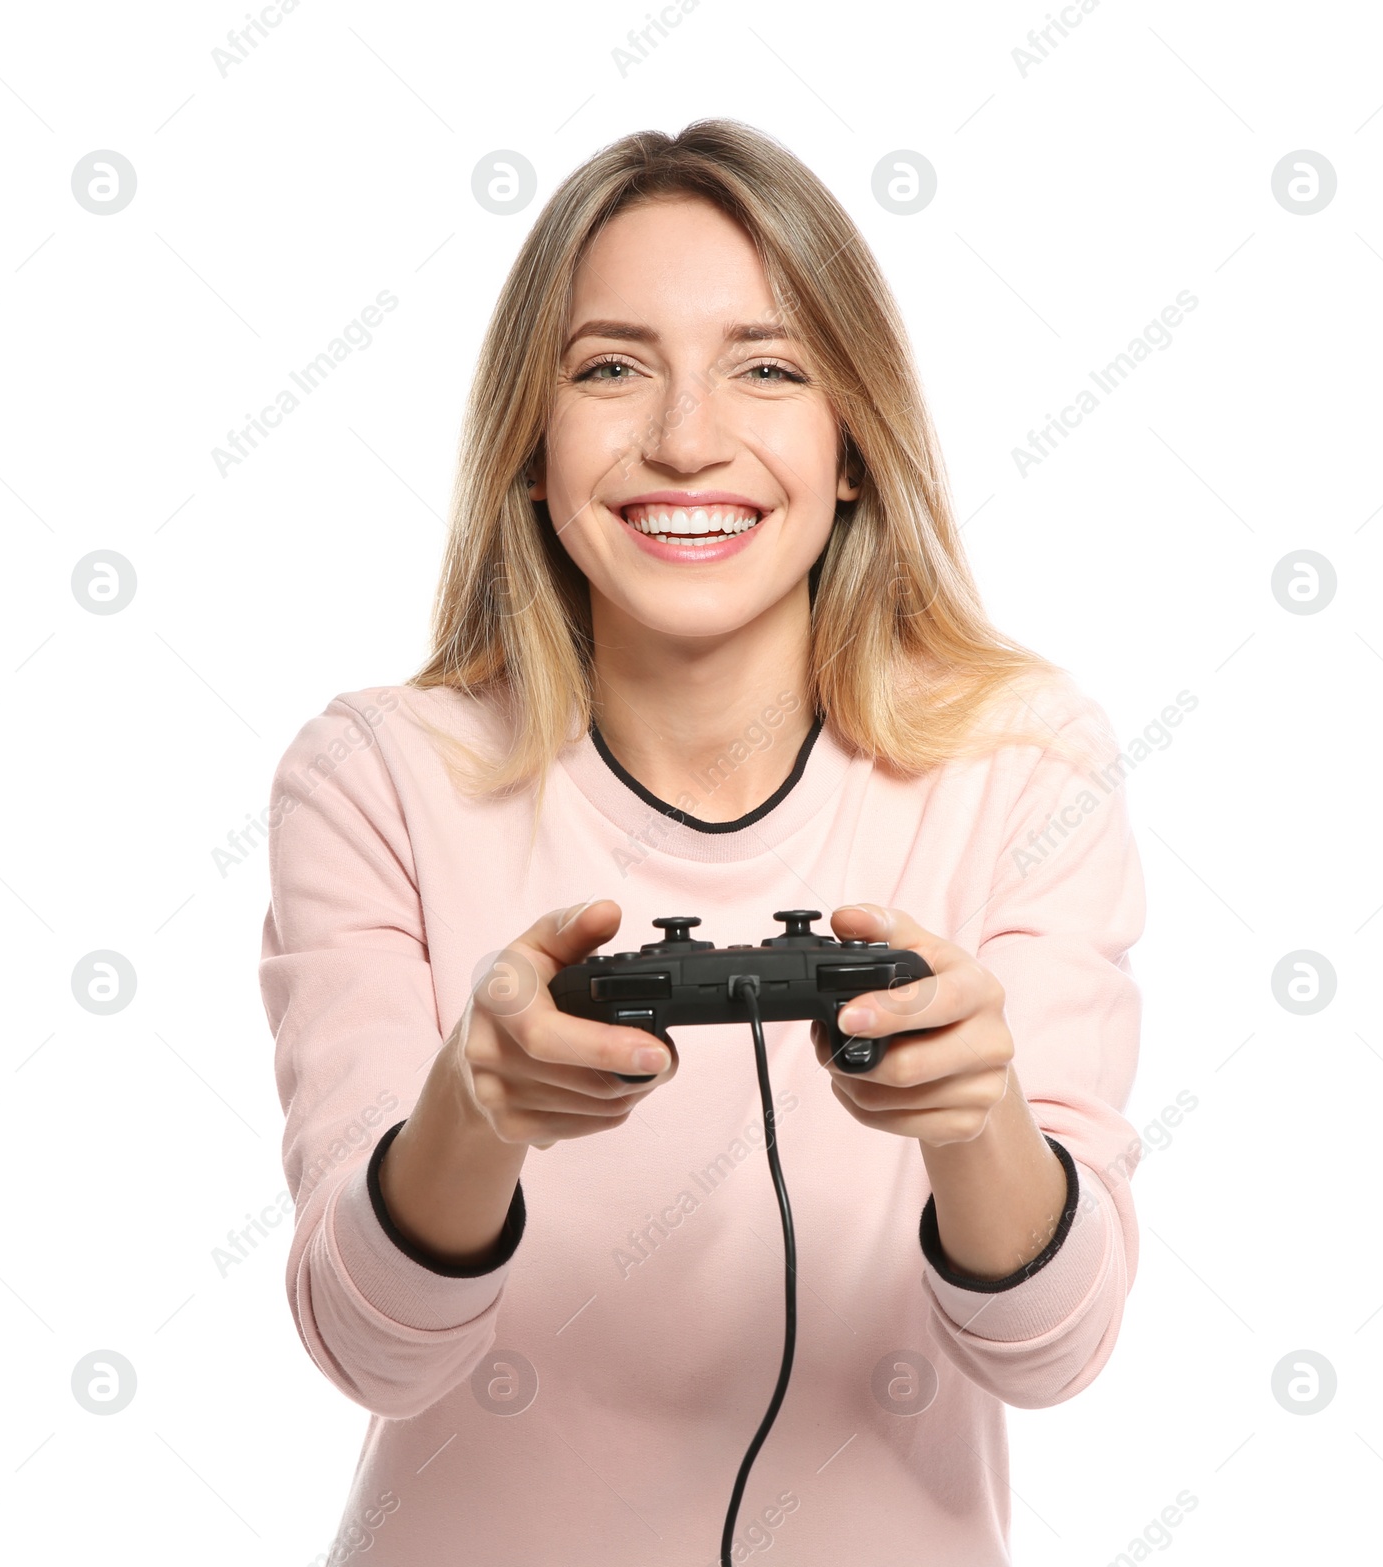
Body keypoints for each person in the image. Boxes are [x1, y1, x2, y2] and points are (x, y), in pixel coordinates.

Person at [260, 118, 1145, 1567]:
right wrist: (474, 1112)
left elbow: (1054, 1352)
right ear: (529, 455)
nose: (684, 436)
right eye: (610, 367)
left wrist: (979, 1120)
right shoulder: (375, 777)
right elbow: (371, 1348)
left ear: (853, 447)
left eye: (771, 367)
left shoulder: (1021, 760)